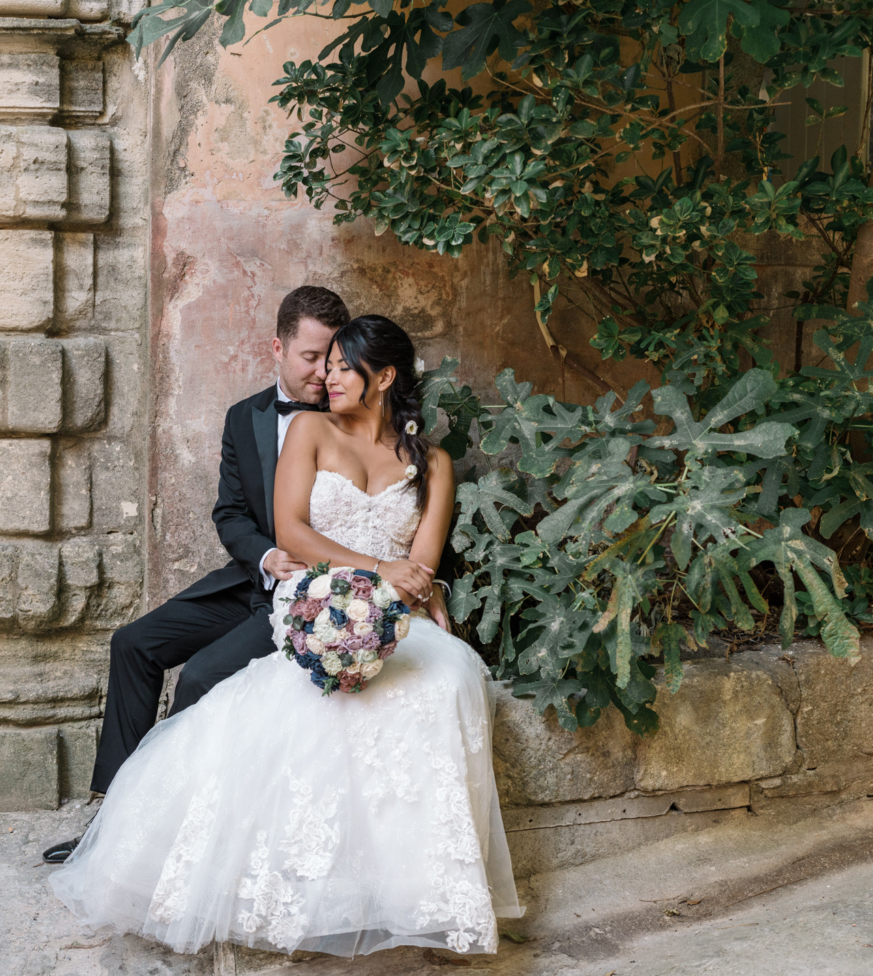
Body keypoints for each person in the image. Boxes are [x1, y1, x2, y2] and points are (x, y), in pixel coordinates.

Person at [48, 315, 520, 957]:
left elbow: (423, 567)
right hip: (314, 597)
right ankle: (127, 825)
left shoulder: (432, 462)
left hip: (392, 618)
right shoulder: (309, 429)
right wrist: (377, 570)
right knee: (234, 682)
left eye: (343, 365)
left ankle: (413, 890)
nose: (327, 374)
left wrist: (407, 589)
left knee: (442, 684)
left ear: (383, 377)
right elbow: (292, 532)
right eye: (323, 362)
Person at [43, 286, 365, 863]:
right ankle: (112, 818)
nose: (322, 372)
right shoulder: (245, 418)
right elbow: (232, 514)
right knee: (134, 645)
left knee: (197, 679)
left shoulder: (352, 419)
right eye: (309, 357)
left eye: (331, 357)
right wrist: (266, 557)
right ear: (278, 347)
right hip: (250, 580)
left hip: (308, 598)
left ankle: (164, 829)